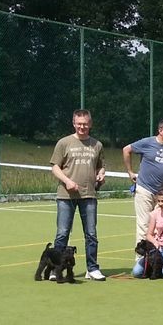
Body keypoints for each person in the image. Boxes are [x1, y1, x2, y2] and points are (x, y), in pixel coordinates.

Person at [49, 108, 106, 281]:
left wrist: (101, 174)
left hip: (89, 195)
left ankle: (92, 268)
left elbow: (100, 166)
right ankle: (55, 269)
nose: (82, 127)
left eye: (85, 124)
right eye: (79, 124)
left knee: (91, 234)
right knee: (62, 233)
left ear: (90, 124)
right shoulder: (64, 143)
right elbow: (55, 167)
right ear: (74, 123)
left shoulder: (97, 145)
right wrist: (67, 181)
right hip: (66, 196)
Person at [123, 119, 163, 243]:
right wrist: (130, 172)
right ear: (161, 130)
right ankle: (142, 254)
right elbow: (126, 150)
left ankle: (159, 252)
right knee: (144, 225)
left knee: (160, 225)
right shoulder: (147, 142)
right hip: (144, 190)